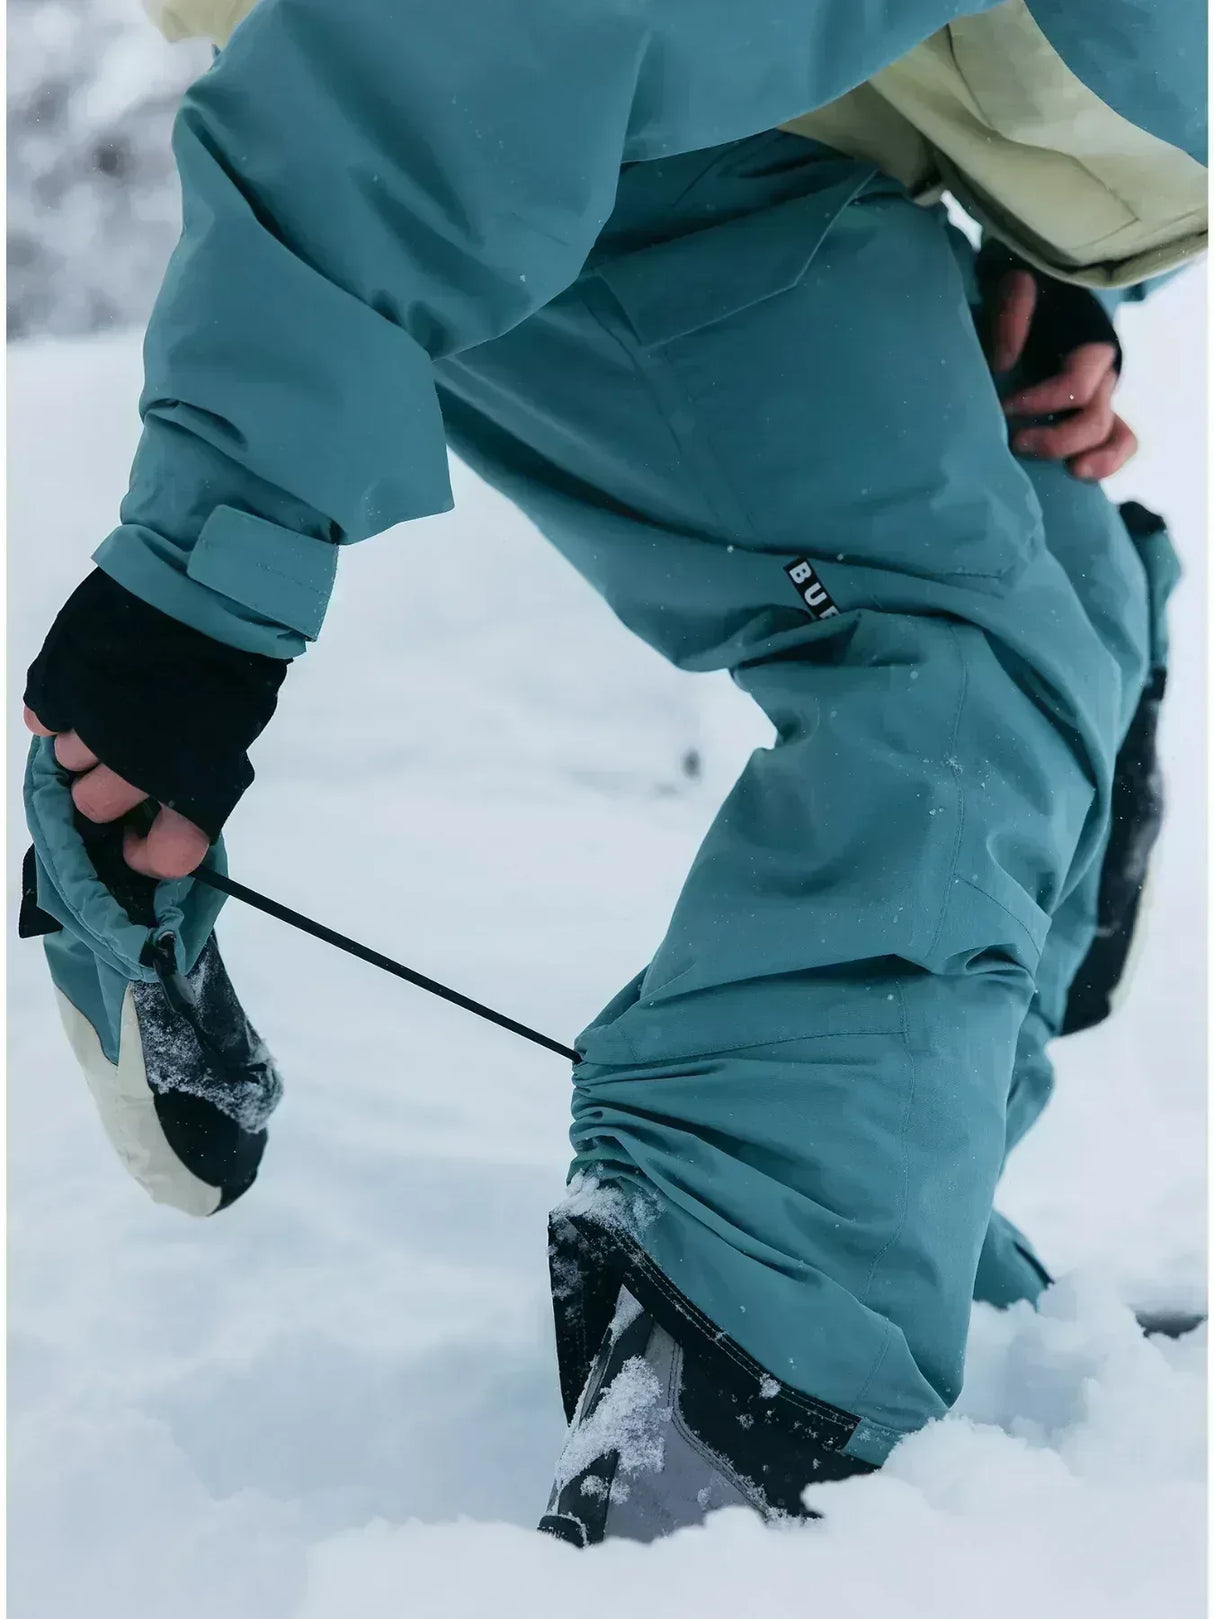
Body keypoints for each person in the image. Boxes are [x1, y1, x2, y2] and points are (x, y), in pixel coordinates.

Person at [21, 0, 1204, 1545]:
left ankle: (875, 1230)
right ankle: (745, 1391)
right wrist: (198, 577)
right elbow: (451, 48)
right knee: (948, 668)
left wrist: (1048, 246)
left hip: (780, 124)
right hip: (539, 128)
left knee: (1053, 580)